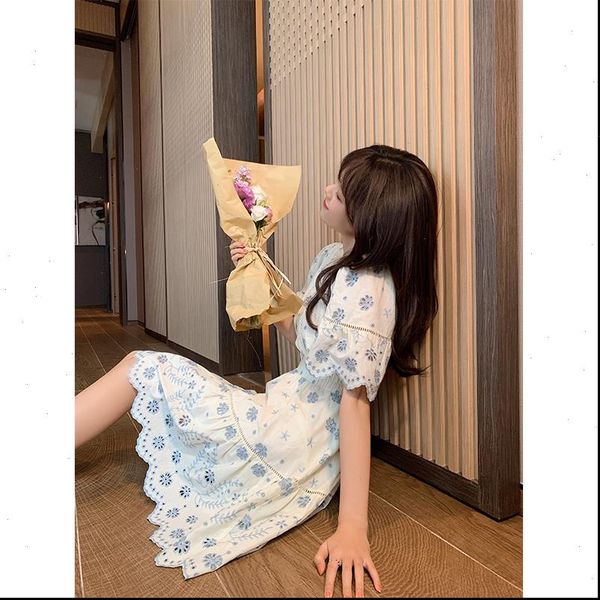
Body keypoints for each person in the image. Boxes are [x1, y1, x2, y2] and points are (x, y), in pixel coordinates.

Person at [75, 144, 439, 598]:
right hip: (285, 405)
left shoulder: (370, 288)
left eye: (342, 193)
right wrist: (253, 264)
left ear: (370, 217)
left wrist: (352, 526)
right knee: (145, 368)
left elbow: (355, 402)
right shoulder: (334, 259)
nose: (327, 190)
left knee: (144, 366)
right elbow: (300, 333)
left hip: (299, 434)